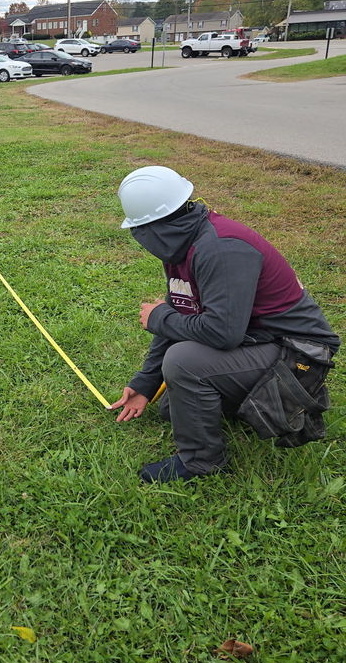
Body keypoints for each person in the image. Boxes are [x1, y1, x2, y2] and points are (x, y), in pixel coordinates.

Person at [109, 166, 340, 483]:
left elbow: (221, 333)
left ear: (154, 228)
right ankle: (237, 402)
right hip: (260, 341)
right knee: (171, 407)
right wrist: (144, 385)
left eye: (140, 231)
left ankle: (202, 462)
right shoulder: (182, 246)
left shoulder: (221, 249)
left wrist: (159, 318)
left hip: (299, 356)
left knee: (184, 363)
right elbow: (182, 313)